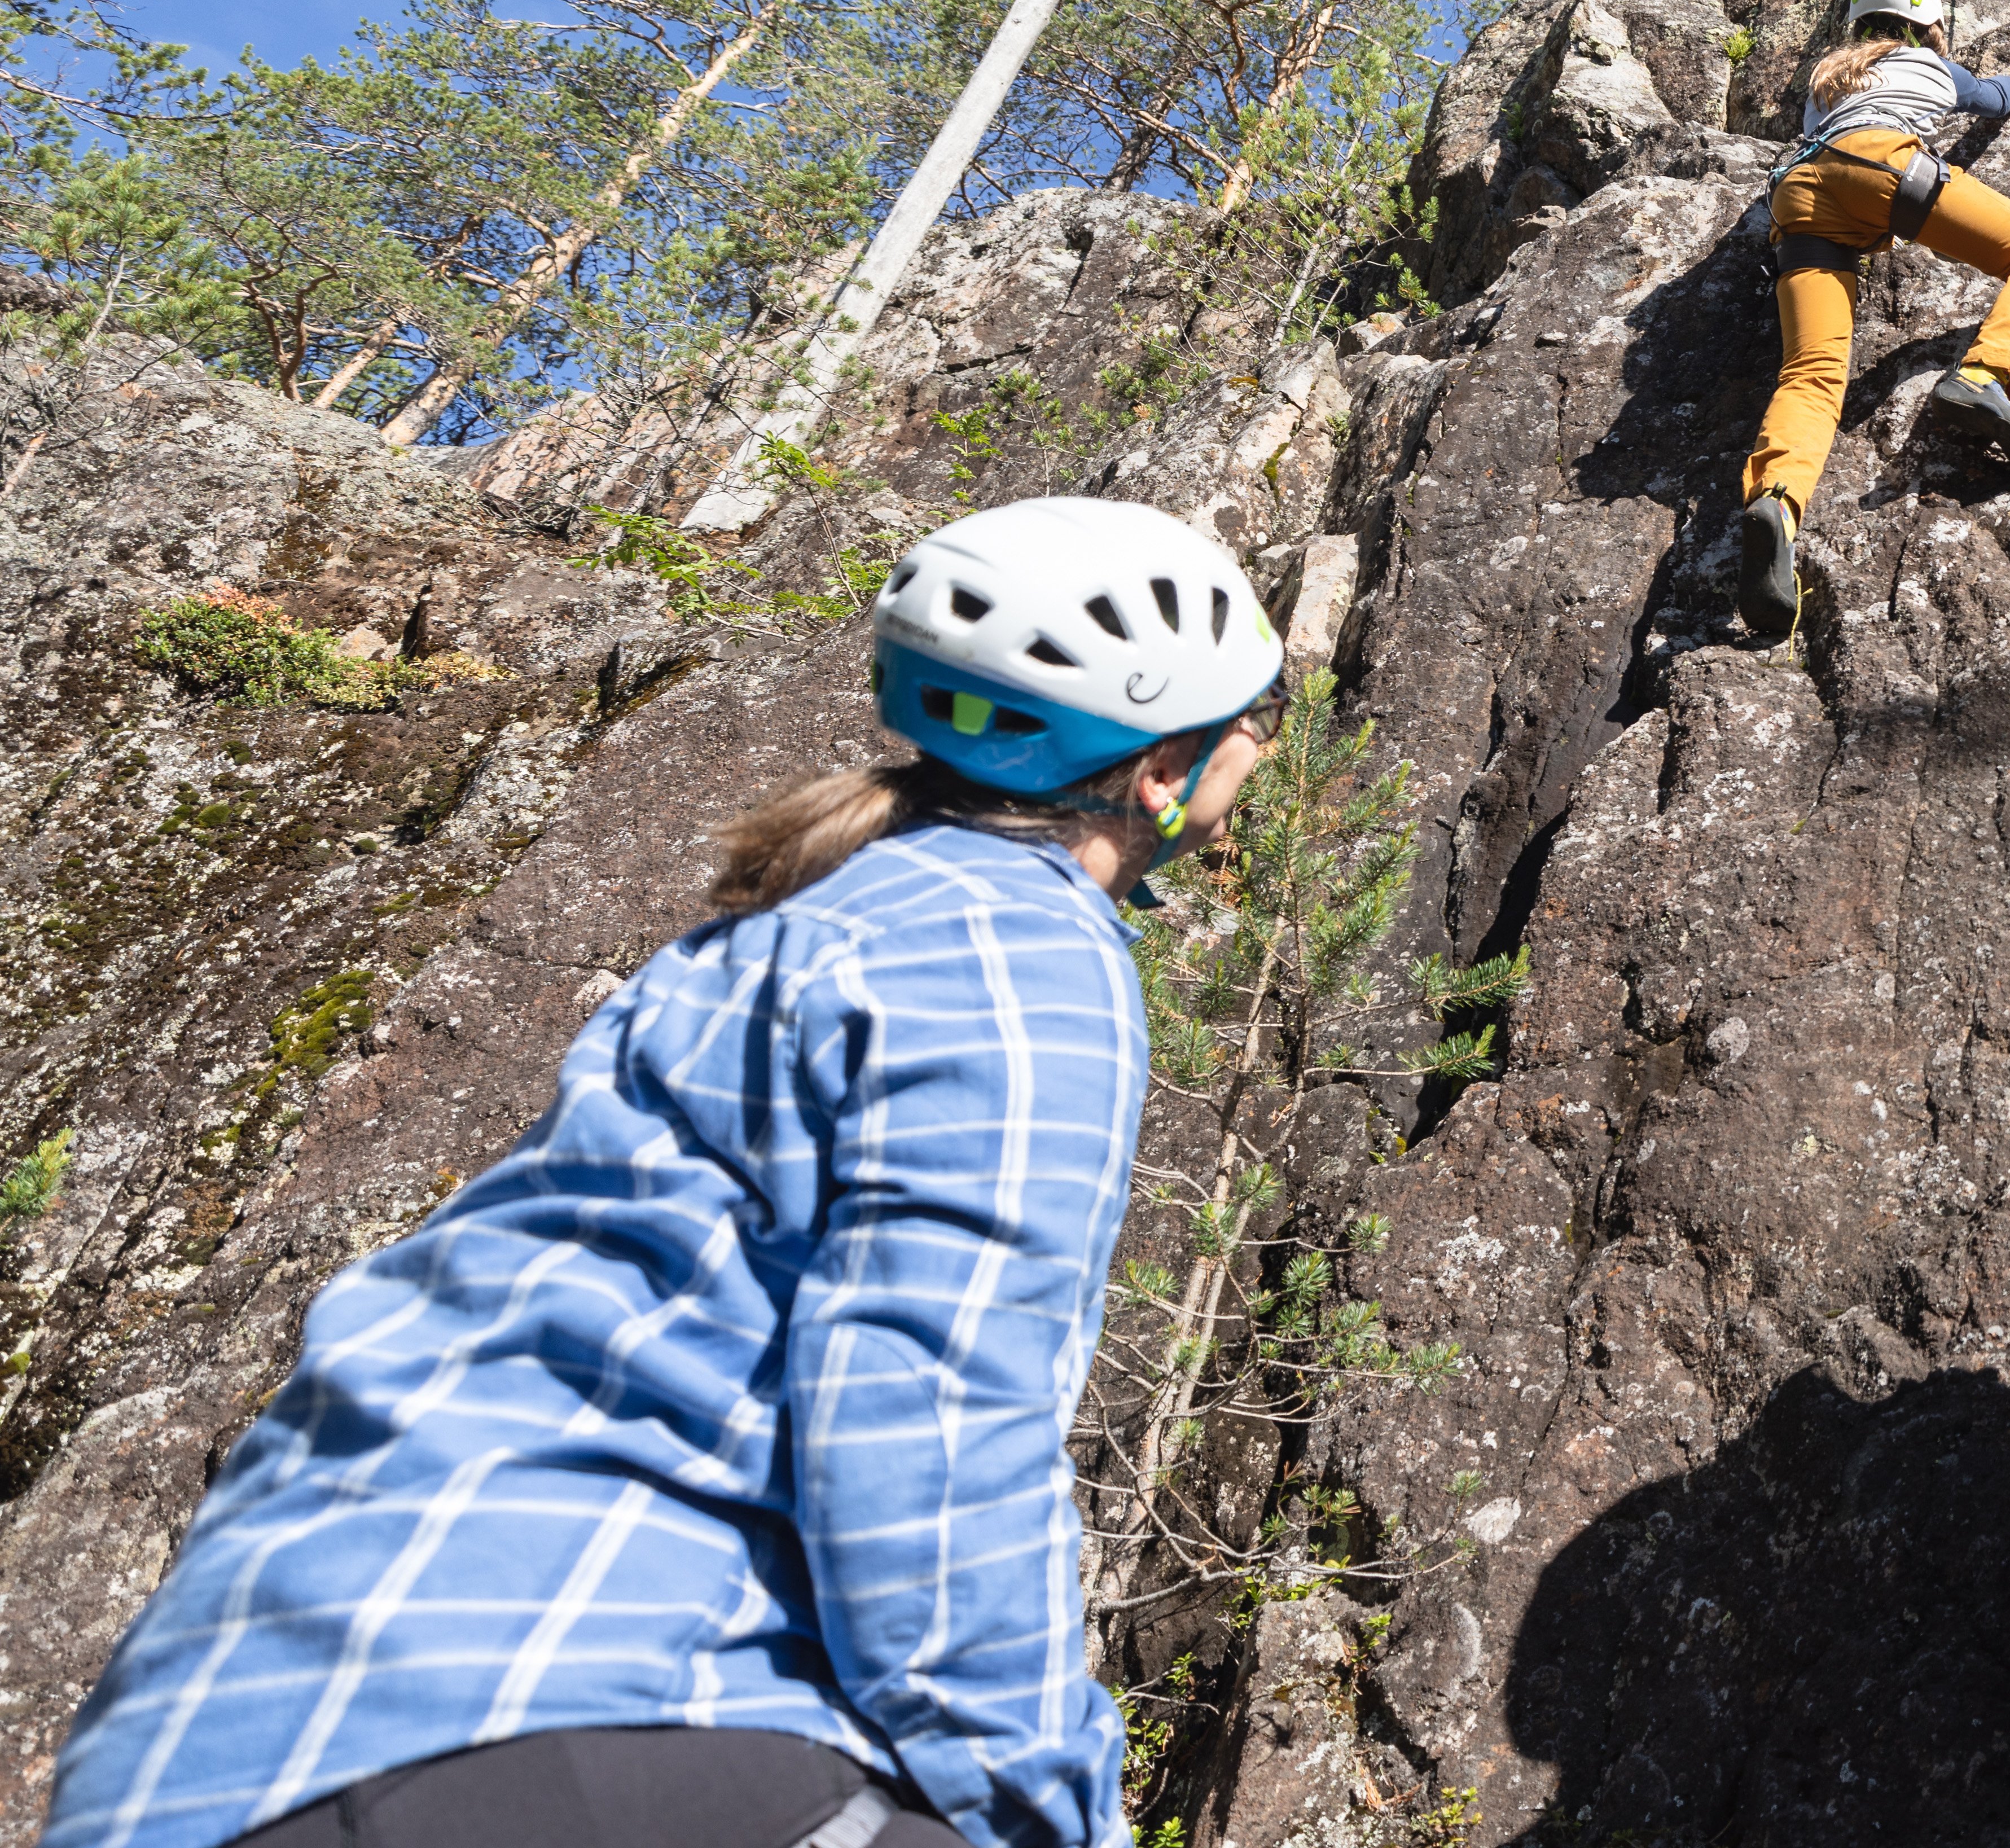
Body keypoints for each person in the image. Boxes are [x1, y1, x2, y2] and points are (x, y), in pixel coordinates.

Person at [45, 497, 1292, 1848]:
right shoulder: (1016, 948)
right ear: (1164, 768)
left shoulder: (812, 919)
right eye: (1251, 733)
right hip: (578, 1696)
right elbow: (933, 1425)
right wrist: (1051, 1809)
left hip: (210, 1739)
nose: (1260, 760)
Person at [1737, 0, 2010, 632]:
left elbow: (1826, 133)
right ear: (1925, 17)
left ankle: (1775, 502)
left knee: (1810, 376)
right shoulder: (1929, 63)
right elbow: (1991, 98)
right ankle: (1990, 378)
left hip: (1799, 194)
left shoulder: (1826, 82)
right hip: (1880, 166)